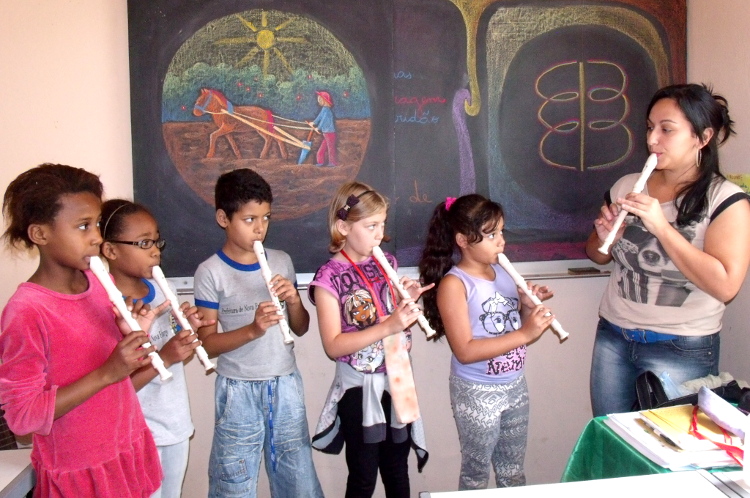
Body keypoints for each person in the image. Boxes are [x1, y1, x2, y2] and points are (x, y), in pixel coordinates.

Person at [0, 163, 165, 497]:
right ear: (40, 234)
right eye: (83, 226)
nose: (96, 238)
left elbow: (109, 364)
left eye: (97, 224)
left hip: (124, 450)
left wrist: (133, 333)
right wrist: (108, 372)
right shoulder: (26, 311)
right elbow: (23, 418)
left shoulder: (97, 282)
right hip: (79, 473)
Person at [586, 83, 750, 416]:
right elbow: (597, 254)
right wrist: (608, 237)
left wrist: (661, 226)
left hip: (682, 346)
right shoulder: (627, 185)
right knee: (610, 439)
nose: (651, 140)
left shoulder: (726, 201)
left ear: (702, 138)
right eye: (649, 127)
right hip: (614, 335)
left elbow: (726, 286)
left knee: (667, 453)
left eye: (666, 130)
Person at [193, 168, 323, 498]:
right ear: (223, 218)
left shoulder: (281, 261)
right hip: (237, 388)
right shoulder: (210, 271)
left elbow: (301, 327)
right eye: (249, 219)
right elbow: (208, 346)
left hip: (285, 382)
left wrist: (293, 300)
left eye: (265, 217)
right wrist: (252, 329)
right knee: (233, 481)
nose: (260, 228)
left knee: (297, 477)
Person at [418, 194, 555, 490]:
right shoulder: (454, 284)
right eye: (491, 235)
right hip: (476, 391)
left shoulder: (504, 271)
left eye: (501, 232)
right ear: (463, 240)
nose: (501, 241)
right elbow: (465, 351)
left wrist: (528, 306)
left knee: (513, 472)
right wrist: (525, 334)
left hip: (515, 385)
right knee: (476, 474)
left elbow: (509, 324)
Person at [308, 181, 430, 498]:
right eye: (371, 225)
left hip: (398, 376)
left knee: (397, 471)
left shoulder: (386, 262)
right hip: (358, 387)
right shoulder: (327, 278)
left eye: (382, 224)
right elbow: (333, 346)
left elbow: (388, 315)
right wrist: (389, 325)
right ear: (343, 227)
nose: (379, 234)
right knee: (363, 476)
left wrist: (406, 301)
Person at [99, 199, 211, 498]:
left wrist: (185, 329)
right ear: (110, 250)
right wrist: (164, 357)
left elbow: (168, 340)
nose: (155, 250)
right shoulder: (106, 307)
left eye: (156, 240)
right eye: (144, 243)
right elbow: (112, 387)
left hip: (174, 423)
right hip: (135, 433)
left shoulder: (163, 290)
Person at [307, 90, 338, 167]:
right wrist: (314, 123)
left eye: (320, 99)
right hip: (326, 133)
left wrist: (318, 128)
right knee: (322, 149)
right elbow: (319, 117)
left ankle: (333, 163)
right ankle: (320, 162)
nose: (319, 101)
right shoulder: (324, 109)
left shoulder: (327, 111)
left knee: (330, 149)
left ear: (324, 100)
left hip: (330, 133)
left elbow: (323, 120)